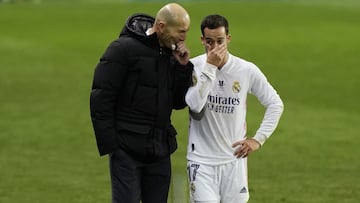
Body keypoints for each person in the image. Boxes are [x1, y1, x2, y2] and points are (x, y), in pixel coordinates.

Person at [89, 3, 193, 203]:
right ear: (161, 27)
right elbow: (101, 97)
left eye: (186, 32)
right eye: (180, 32)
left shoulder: (170, 55)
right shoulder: (122, 49)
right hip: (126, 150)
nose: (183, 38)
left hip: (159, 150)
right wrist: (112, 146)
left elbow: (178, 103)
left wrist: (182, 68)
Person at [185, 14, 284, 203]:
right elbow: (195, 105)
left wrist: (258, 139)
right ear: (202, 40)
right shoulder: (194, 67)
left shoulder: (246, 70)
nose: (214, 48)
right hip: (201, 161)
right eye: (209, 42)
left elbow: (275, 103)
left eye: (220, 41)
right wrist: (210, 68)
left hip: (233, 161)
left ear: (228, 39)